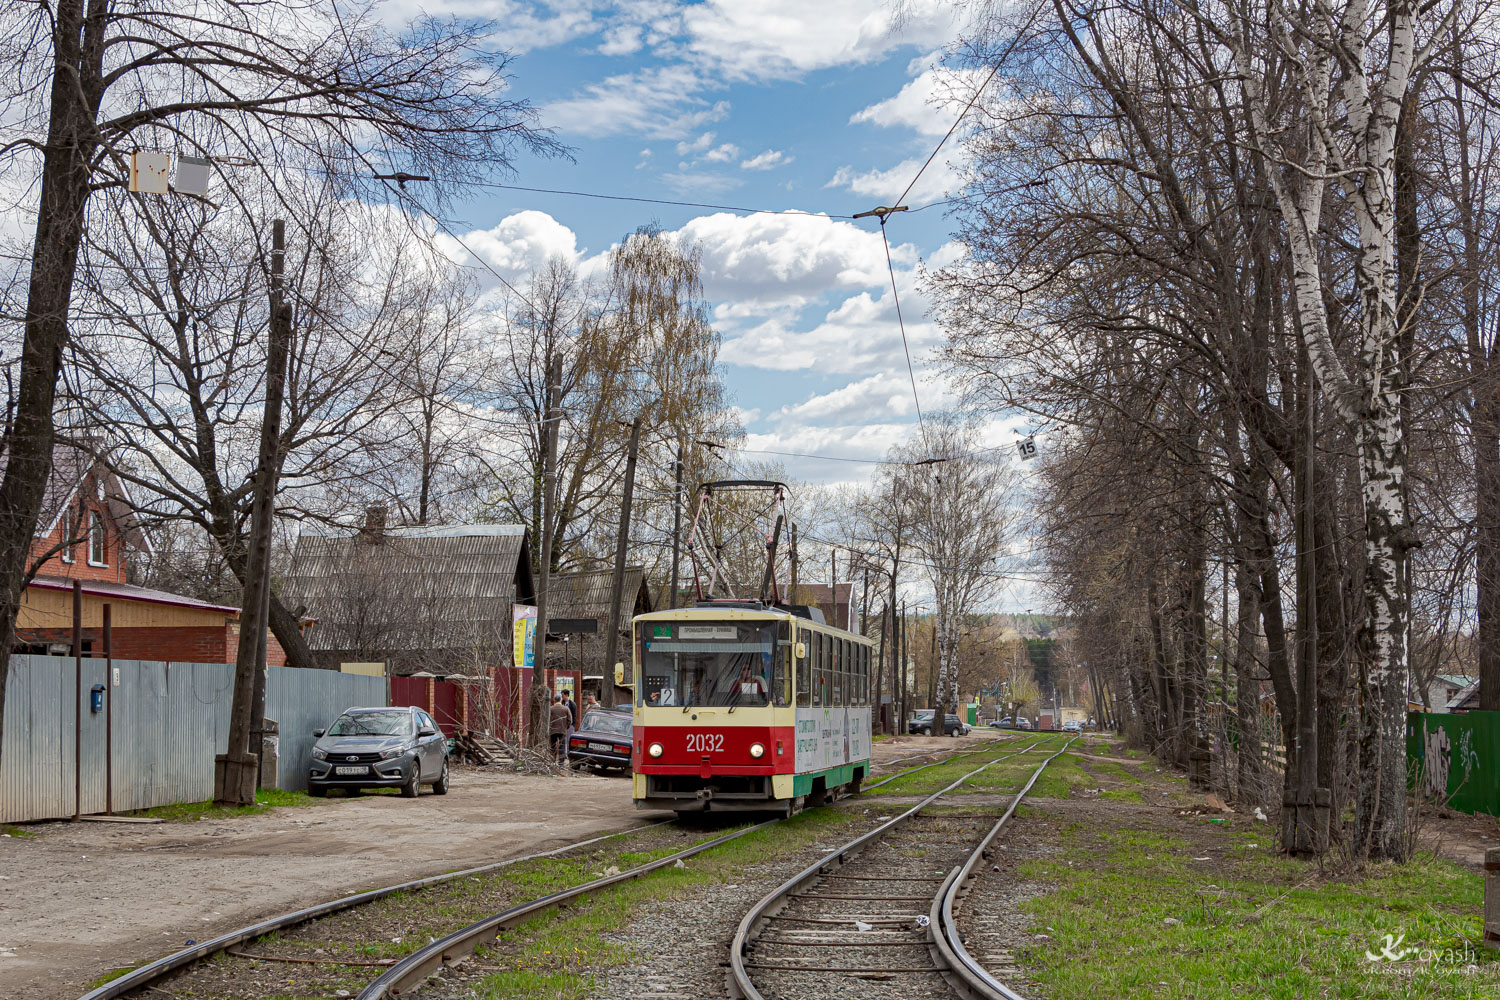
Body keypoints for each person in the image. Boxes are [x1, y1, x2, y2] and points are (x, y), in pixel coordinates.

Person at [549, 693, 571, 761]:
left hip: (553, 730)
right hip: (562, 730)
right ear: (560, 700)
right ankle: (561, 762)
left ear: (554, 700)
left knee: (553, 746)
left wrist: (549, 727)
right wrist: (566, 727)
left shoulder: (550, 708)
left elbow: (547, 719)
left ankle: (553, 759)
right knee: (562, 746)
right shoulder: (566, 708)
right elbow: (570, 719)